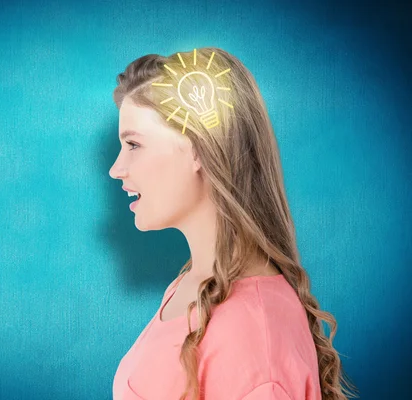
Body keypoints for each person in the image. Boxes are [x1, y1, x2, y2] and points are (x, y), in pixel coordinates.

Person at [108, 47, 358, 400]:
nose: (116, 169)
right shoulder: (191, 283)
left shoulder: (254, 338)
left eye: (133, 144)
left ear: (198, 148)